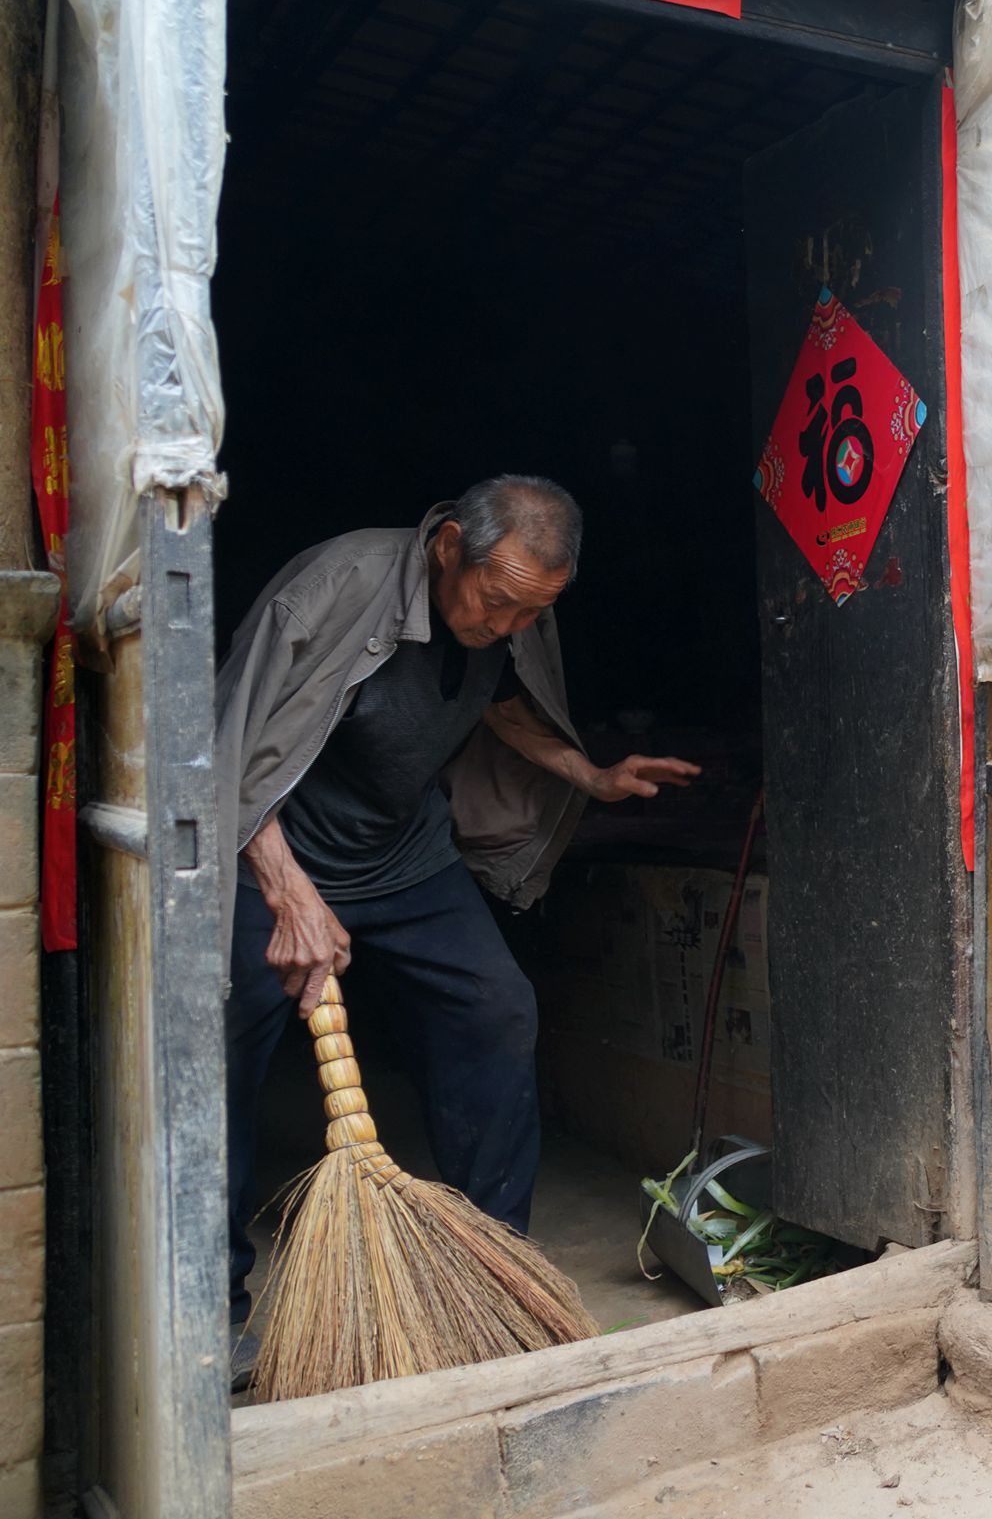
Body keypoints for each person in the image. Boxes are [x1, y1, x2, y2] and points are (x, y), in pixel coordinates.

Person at [215, 476, 700, 1374]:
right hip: (274, 847)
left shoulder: (513, 611)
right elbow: (227, 748)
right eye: (496, 599)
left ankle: (494, 1271)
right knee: (227, 1041)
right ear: (447, 547)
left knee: (495, 1008)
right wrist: (287, 890)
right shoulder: (330, 590)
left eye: (532, 611)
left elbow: (501, 704)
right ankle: (213, 1312)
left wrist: (590, 775)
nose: (508, 623)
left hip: (403, 855)